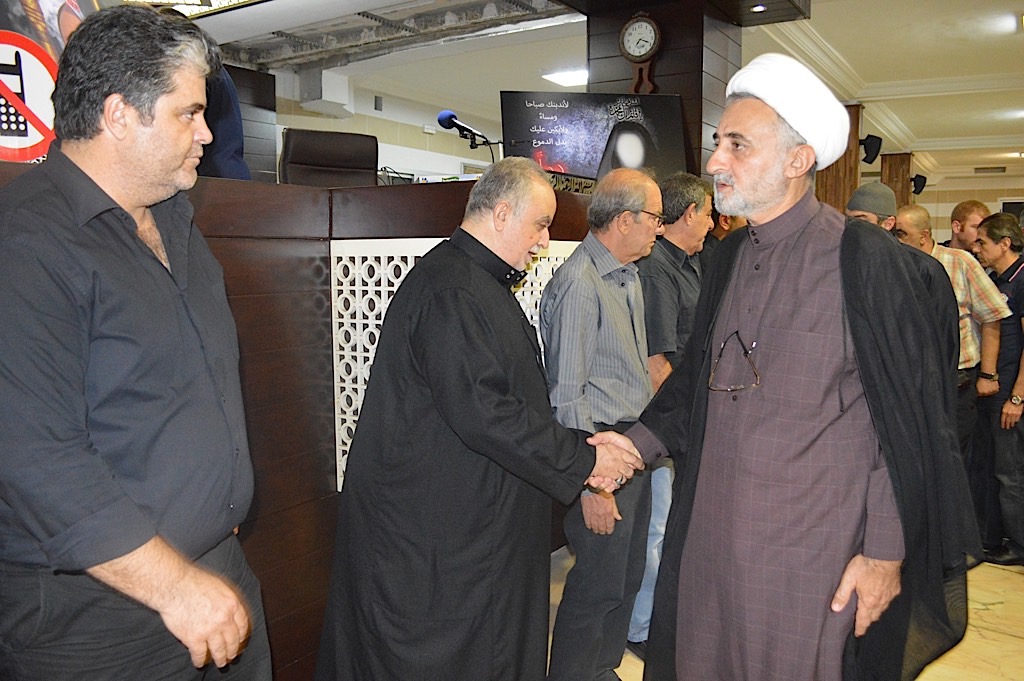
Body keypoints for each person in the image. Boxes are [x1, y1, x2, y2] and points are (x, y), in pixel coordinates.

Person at [628, 53, 979, 681]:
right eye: (717, 143)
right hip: (711, 543)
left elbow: (906, 425)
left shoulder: (865, 260)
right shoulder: (725, 259)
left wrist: (884, 555)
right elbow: (693, 387)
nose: (715, 162)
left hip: (811, 555)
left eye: (737, 145)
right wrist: (630, 446)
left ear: (798, 159)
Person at [0, 6, 270, 680]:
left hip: (216, 577)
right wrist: (175, 586)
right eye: (189, 113)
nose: (207, 133)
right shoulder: (26, 242)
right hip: (104, 621)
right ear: (119, 115)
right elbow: (35, 457)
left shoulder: (177, 221)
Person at [313, 157, 645, 681]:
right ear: (502, 213)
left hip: (468, 526)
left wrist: (582, 447)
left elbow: (508, 405)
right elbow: (486, 412)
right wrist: (584, 460)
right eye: (540, 225)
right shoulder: (453, 290)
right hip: (434, 544)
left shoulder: (474, 282)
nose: (543, 242)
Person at [542, 168, 663, 681]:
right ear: (625, 219)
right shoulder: (581, 283)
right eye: (655, 217)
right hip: (598, 459)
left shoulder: (627, 275)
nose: (660, 227)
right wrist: (592, 484)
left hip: (630, 448)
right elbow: (567, 397)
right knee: (597, 584)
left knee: (625, 577)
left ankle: (602, 669)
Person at [626, 171, 713, 660]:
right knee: (656, 529)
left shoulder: (693, 264)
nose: (713, 223)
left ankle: (661, 618)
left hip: (683, 418)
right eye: (708, 213)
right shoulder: (657, 270)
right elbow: (657, 363)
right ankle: (641, 628)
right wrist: (683, 426)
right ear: (689, 213)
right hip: (663, 421)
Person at [895, 204, 1009, 471]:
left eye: (902, 233)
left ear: (923, 236)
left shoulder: (960, 262)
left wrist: (988, 374)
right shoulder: (895, 266)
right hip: (913, 380)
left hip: (957, 381)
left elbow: (992, 315)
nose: (896, 240)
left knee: (952, 459)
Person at [970, 213, 1024, 566]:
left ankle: (1019, 545)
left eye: (982, 242)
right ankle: (994, 537)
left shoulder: (1022, 279)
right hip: (993, 387)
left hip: (1011, 392)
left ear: (1005, 243)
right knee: (992, 469)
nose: (976, 248)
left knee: (1010, 473)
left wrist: (1018, 397)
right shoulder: (994, 278)